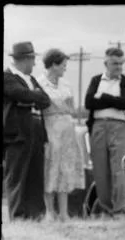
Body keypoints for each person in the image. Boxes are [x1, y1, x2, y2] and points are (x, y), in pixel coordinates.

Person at [84, 47, 125, 216]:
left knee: (120, 167)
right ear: (106, 63)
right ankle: (106, 207)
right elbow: (89, 102)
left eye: (120, 64)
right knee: (100, 168)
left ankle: (119, 207)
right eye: (115, 63)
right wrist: (114, 101)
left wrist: (105, 98)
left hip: (119, 126)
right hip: (99, 126)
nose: (118, 67)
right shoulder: (96, 80)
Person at [3, 41, 50, 220]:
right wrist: (31, 97)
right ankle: (18, 214)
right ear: (24, 59)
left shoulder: (31, 79)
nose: (34, 64)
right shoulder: (8, 77)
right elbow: (19, 94)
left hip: (36, 128)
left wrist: (28, 99)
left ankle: (35, 214)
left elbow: (45, 100)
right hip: (17, 132)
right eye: (32, 60)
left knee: (35, 172)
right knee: (17, 173)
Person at [37, 48, 85, 222]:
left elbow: (71, 108)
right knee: (50, 167)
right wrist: (59, 105)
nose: (65, 68)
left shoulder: (66, 84)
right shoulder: (40, 83)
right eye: (63, 65)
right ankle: (50, 212)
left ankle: (64, 213)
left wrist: (60, 105)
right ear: (54, 65)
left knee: (65, 169)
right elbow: (42, 106)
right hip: (49, 128)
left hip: (67, 129)